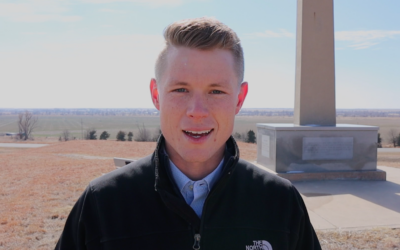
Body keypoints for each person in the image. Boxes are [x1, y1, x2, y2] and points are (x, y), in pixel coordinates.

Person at [55, 17, 321, 250]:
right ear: (156, 95)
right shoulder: (103, 204)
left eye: (216, 91)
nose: (197, 111)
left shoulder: (280, 203)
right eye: (180, 90)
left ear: (239, 99)